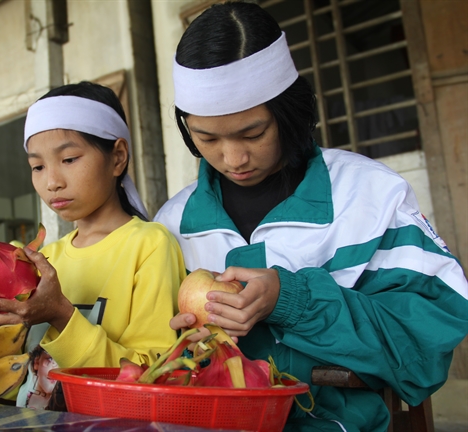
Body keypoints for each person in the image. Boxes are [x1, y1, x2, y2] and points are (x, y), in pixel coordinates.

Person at [154, 2, 468, 431]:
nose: (233, 158)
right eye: (206, 137)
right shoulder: (170, 225)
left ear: (290, 112)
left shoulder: (368, 195)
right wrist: (181, 344)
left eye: (253, 133)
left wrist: (293, 299)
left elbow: (425, 352)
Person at [0, 81, 186, 408]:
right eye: (37, 166)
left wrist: (61, 315)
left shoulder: (149, 245)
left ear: (118, 157)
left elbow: (153, 373)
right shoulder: (44, 258)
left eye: (68, 159)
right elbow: (13, 377)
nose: (52, 181)